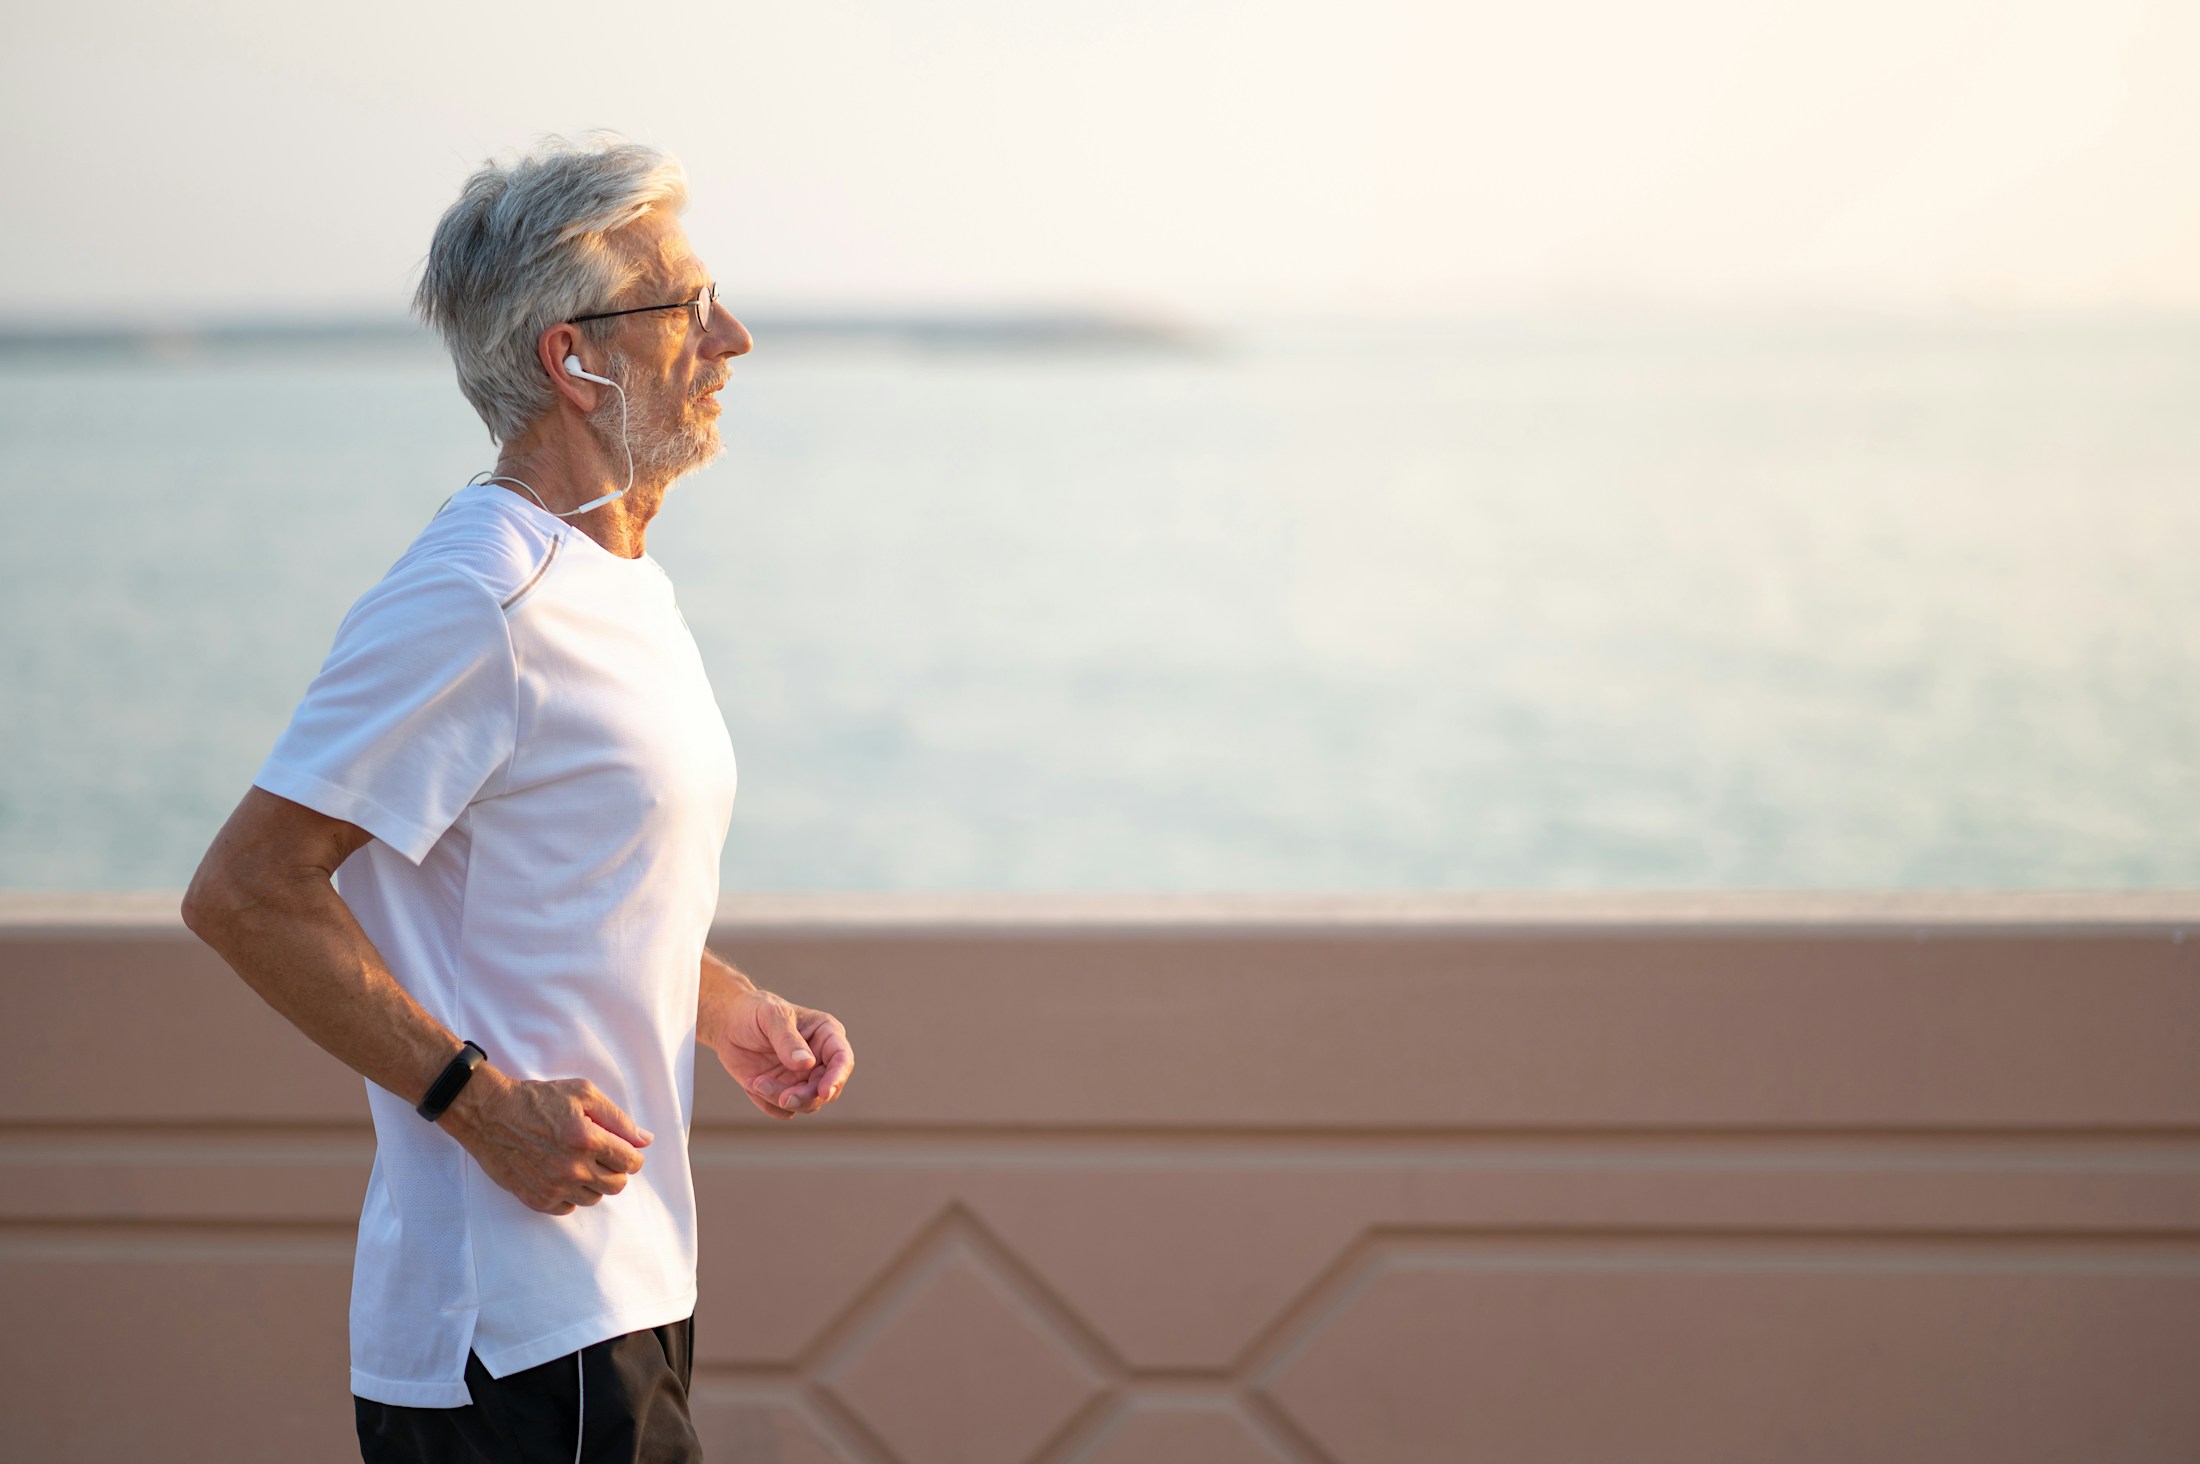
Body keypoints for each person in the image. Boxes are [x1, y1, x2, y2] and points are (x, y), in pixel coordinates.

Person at [182, 133, 853, 1463]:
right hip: (515, 1328)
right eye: (688, 306)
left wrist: (728, 1009)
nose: (732, 340)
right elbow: (247, 891)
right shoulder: (476, 592)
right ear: (575, 355)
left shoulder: (613, 582)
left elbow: (565, 878)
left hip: (630, 1284)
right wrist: (478, 1106)